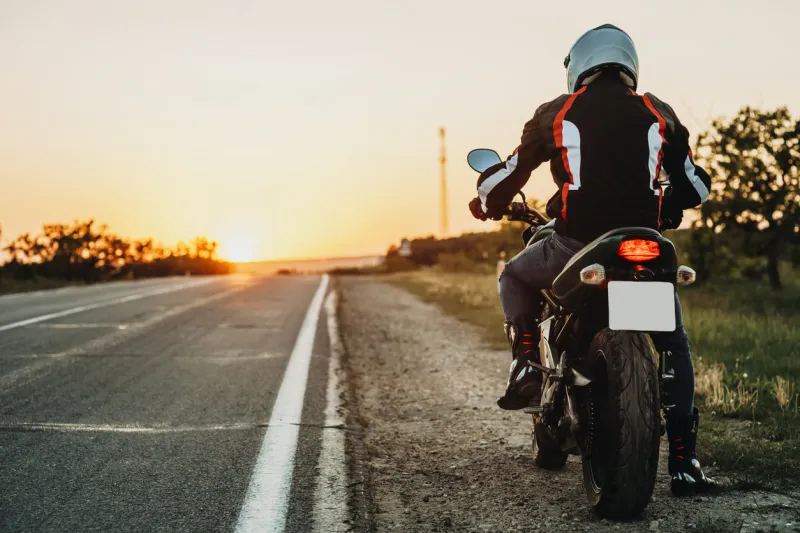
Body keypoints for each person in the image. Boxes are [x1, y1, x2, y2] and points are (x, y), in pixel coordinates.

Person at [468, 24, 716, 496]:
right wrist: (671, 206)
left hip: (574, 244)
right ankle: (684, 464)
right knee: (675, 344)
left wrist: (487, 202)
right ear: (629, 64)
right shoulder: (658, 112)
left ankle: (524, 363)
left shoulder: (557, 112)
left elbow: (509, 173)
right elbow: (695, 185)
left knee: (514, 275)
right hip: (646, 245)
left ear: (577, 66)